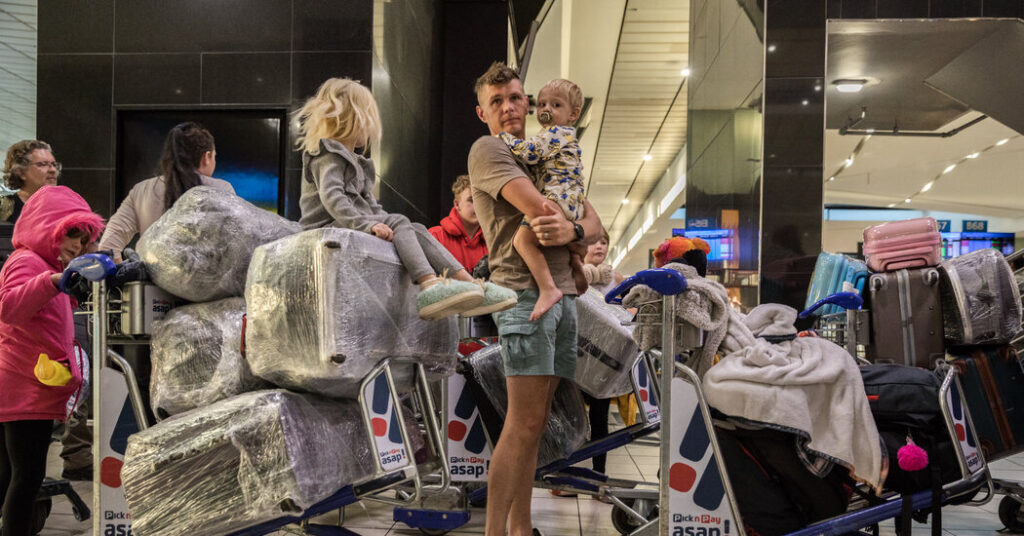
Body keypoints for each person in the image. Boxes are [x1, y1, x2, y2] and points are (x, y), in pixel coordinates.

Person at [468, 61, 602, 536]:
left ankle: (522, 528)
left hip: (561, 295)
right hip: (525, 297)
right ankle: (495, 532)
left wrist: (574, 232)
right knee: (522, 423)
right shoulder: (490, 149)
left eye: (515, 98)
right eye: (497, 101)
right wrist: (572, 227)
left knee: (536, 424)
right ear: (482, 112)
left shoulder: (546, 149)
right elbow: (541, 210)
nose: (509, 108)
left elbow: (595, 224)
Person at [295, 78, 516, 320]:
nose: (370, 129)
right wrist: (369, 225)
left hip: (347, 225)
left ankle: (470, 284)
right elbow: (332, 198)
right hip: (325, 228)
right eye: (368, 120)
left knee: (415, 228)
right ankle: (430, 285)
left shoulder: (357, 163)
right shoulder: (327, 155)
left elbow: (370, 206)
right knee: (400, 222)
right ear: (354, 119)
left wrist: (383, 223)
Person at [0, 185, 103, 536]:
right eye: (71, 233)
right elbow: (9, 307)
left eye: (84, 238)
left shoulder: (43, 265)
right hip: (24, 387)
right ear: (47, 227)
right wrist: (53, 281)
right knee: (27, 476)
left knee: (11, 475)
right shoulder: (28, 261)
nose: (77, 244)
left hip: (30, 384)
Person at [499, 78, 588, 321]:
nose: (546, 109)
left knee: (522, 241)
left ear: (573, 114)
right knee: (556, 238)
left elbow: (531, 153)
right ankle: (576, 265)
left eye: (556, 105)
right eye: (542, 104)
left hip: (557, 196)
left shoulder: (555, 133)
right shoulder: (561, 135)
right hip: (570, 200)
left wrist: (504, 138)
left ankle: (548, 288)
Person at [99, 122, 234, 262]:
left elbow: (107, 247)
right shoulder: (222, 190)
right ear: (207, 157)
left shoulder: (141, 191)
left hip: (149, 276)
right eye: (214, 157)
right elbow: (237, 247)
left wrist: (124, 273)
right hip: (209, 277)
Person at [428, 174, 487, 272]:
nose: (478, 206)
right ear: (457, 204)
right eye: (471, 200)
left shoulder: (492, 245)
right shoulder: (436, 237)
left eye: (481, 201)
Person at [1, 140, 60, 227]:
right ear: (21, 172)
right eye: (43, 164)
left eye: (54, 164)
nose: (53, 170)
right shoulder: (4, 208)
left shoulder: (65, 207)